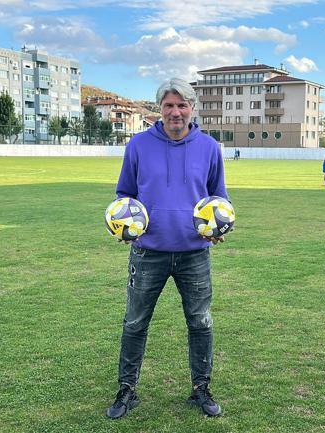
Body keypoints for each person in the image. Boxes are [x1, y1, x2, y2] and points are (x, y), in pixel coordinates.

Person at [107, 78, 227, 419]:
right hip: (148, 252)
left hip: (194, 253)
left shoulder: (209, 147)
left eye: (181, 105)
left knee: (200, 323)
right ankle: (127, 390)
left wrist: (220, 226)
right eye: (168, 106)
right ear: (160, 109)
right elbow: (124, 195)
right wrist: (122, 223)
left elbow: (219, 197)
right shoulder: (138, 146)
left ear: (192, 108)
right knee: (135, 323)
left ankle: (200, 389)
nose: (175, 112)